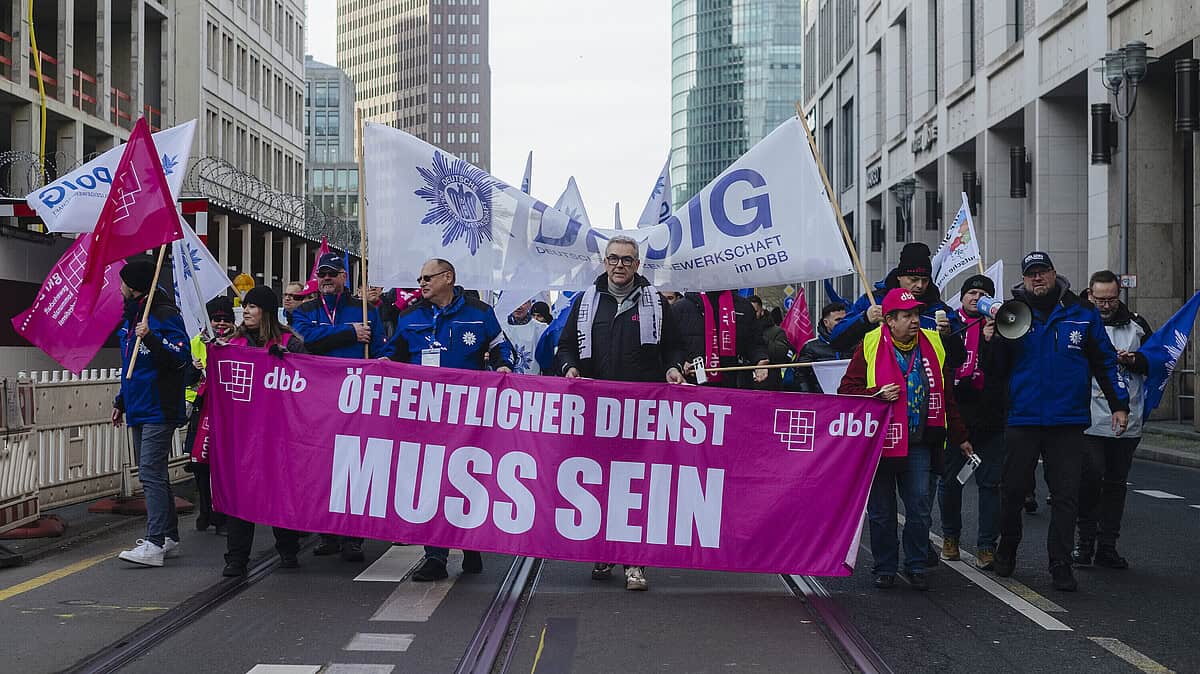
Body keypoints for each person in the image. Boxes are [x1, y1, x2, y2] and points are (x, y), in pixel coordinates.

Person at [983, 252, 1130, 592]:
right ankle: (1008, 547)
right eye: (1031, 274)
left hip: (1067, 419)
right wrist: (994, 341)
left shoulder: (1081, 313)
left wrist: (1118, 405)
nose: (1038, 279)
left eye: (1043, 272)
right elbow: (995, 373)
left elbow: (1105, 362)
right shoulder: (1012, 313)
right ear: (1023, 279)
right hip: (1023, 418)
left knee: (1066, 495)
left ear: (1053, 274)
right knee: (1014, 490)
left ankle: (1060, 563)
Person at [555, 235, 686, 591]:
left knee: (636, 486)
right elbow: (566, 346)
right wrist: (569, 368)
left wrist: (673, 368)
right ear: (604, 262)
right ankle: (604, 550)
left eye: (627, 260)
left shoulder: (656, 302)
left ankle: (634, 561)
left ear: (638, 265)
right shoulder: (586, 302)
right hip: (596, 412)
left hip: (641, 411)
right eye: (614, 259)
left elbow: (674, 346)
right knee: (599, 484)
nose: (620, 266)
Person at [387, 259, 515, 581]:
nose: (421, 283)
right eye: (419, 278)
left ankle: (471, 543)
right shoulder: (409, 317)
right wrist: (381, 362)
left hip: (468, 417)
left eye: (427, 277)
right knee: (432, 481)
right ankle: (436, 557)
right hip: (426, 417)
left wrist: (503, 367)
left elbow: (503, 348)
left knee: (465, 479)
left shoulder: (480, 313)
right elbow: (392, 355)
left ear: (448, 277)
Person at [839, 288, 971, 591]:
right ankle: (885, 567)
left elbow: (947, 393)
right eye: (907, 315)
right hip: (880, 444)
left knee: (919, 506)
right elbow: (847, 389)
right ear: (890, 320)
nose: (914, 321)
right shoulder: (870, 344)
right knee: (882, 511)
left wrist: (960, 435)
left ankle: (915, 564)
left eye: (916, 314)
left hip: (920, 441)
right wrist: (876, 394)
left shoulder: (933, 342)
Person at [291, 252, 387, 562]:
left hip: (356, 400)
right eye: (323, 274)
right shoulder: (305, 310)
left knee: (353, 467)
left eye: (333, 273)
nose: (328, 278)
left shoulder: (363, 309)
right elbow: (307, 339)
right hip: (318, 401)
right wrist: (348, 333)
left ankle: (353, 536)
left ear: (345, 277)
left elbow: (381, 347)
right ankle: (328, 533)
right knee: (322, 468)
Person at [220, 286, 306, 576]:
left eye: (253, 306)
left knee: (280, 491)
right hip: (243, 434)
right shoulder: (233, 343)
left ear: (267, 312)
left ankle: (288, 549)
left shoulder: (290, 343)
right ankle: (236, 558)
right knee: (240, 495)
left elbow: (308, 383)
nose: (246, 311)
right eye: (245, 306)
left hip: (279, 434)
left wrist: (289, 363)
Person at [1072, 270, 1153, 570]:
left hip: (1127, 415)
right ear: (1090, 295)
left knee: (1116, 483)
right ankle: (1084, 543)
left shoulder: (1137, 325)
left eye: (1111, 299)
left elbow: (1156, 360)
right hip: (1090, 416)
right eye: (1099, 299)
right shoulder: (1080, 323)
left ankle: (1108, 545)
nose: (1105, 305)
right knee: (1090, 479)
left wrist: (1135, 360)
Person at [113, 258, 190, 567]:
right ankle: (168, 535)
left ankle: (155, 543)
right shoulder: (132, 318)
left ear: (133, 287)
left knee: (149, 473)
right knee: (154, 473)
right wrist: (122, 400)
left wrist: (153, 337)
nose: (119, 289)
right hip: (139, 404)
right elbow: (131, 367)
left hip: (159, 405)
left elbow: (180, 356)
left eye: (122, 284)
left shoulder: (162, 315)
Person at [938, 275, 1007, 571]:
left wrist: (993, 341)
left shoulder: (1004, 327)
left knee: (990, 484)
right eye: (972, 292)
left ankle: (986, 545)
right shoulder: (950, 325)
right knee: (951, 482)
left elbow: (1004, 369)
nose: (977, 298)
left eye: (983, 293)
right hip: (957, 415)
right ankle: (951, 537)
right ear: (963, 297)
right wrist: (944, 335)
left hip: (991, 416)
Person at [830, 243, 965, 366]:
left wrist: (948, 336)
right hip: (881, 385)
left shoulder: (940, 310)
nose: (919, 285)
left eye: (925, 280)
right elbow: (836, 341)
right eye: (913, 279)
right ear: (899, 276)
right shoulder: (872, 301)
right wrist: (864, 319)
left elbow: (958, 361)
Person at [185, 296, 236, 535]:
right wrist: (192, 371)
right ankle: (205, 510)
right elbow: (184, 380)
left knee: (224, 466)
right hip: (202, 410)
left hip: (230, 415)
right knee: (200, 467)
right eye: (216, 319)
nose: (221, 324)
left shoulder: (239, 342)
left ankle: (222, 516)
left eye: (226, 319)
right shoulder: (196, 343)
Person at [672, 290, 769, 388]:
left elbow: (755, 343)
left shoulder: (744, 307)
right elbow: (672, 346)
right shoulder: (681, 307)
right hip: (692, 385)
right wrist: (678, 364)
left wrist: (760, 359)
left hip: (731, 384)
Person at [793, 302, 848, 392]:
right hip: (821, 399)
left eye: (845, 319)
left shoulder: (856, 344)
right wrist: (808, 398)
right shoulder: (811, 347)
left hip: (851, 399)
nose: (843, 323)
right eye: (838, 320)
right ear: (826, 322)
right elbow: (801, 377)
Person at [503, 299, 549, 375]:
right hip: (507, 382)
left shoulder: (541, 328)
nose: (519, 307)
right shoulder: (500, 327)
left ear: (530, 304)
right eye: (515, 302)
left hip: (532, 381)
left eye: (523, 302)